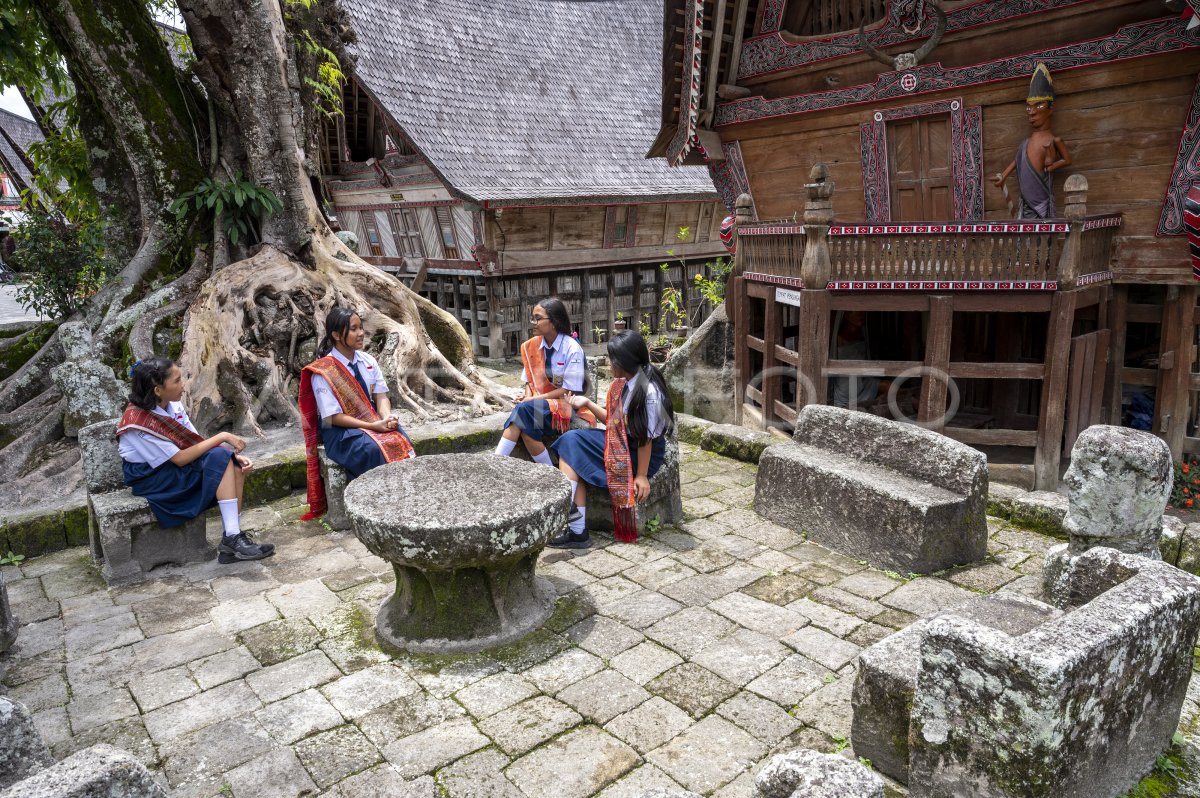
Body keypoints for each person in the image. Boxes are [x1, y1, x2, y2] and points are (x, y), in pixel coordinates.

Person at [117, 357, 275, 563]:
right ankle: (233, 540)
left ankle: (232, 540)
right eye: (177, 381)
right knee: (222, 456)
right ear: (158, 390)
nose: (183, 385)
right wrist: (222, 437)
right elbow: (181, 458)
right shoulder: (138, 424)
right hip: (154, 479)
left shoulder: (172, 405)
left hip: (173, 467)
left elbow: (193, 443)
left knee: (233, 465)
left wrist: (232, 456)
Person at [549, 330, 675, 548]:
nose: (608, 362)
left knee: (571, 443)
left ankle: (572, 518)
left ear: (621, 361)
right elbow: (614, 421)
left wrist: (642, 475)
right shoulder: (628, 381)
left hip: (640, 453)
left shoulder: (649, 392)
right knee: (570, 442)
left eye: (610, 358)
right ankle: (574, 522)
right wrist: (587, 404)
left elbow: (646, 438)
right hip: (624, 441)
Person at [298, 307, 415, 520]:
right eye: (353, 329)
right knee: (372, 449)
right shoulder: (323, 372)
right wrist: (373, 427)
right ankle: (380, 503)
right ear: (336, 335)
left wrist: (386, 417)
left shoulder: (368, 361)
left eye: (360, 327)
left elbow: (381, 396)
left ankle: (405, 496)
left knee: (400, 437)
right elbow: (331, 417)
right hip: (340, 432)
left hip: (371, 422)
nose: (361, 333)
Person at [495, 297, 595, 465]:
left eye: (538, 318)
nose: (533, 322)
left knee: (524, 412)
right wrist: (527, 396)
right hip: (538, 404)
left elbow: (568, 390)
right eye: (533, 318)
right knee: (526, 424)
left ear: (554, 321)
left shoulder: (571, 348)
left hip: (565, 403)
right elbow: (529, 380)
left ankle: (495, 461)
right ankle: (548, 471)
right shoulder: (531, 346)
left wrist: (531, 400)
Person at [993, 62, 1072, 219]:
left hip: (1041, 196)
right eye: (1029, 108)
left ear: (1051, 109)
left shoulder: (1054, 140)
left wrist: (1051, 166)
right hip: (1027, 199)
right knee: (1026, 225)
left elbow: (1067, 160)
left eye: (1039, 106)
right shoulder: (1025, 144)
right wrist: (1003, 176)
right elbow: (1017, 162)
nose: (1032, 112)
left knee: (1041, 226)